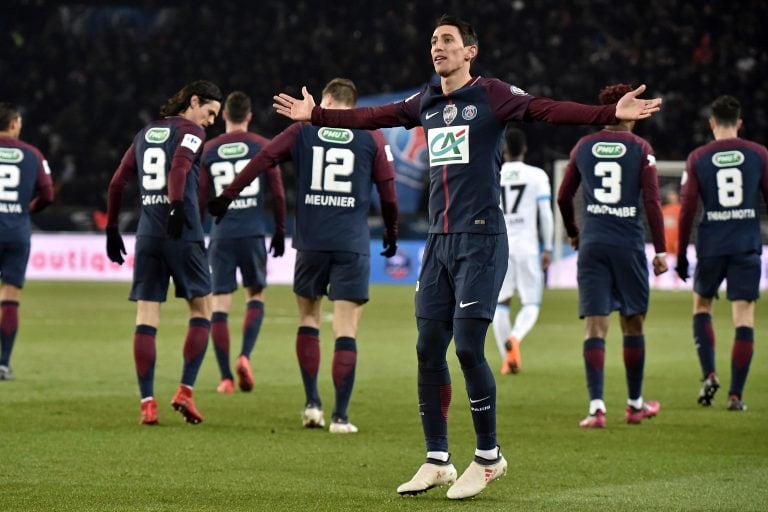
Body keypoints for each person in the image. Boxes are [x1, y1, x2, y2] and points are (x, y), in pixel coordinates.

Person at [271, 15, 662, 500]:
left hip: (481, 239)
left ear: (470, 51)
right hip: (438, 242)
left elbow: (546, 109)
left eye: (448, 41)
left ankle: (489, 457)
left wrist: (607, 114)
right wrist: (319, 117)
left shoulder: (492, 94)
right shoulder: (427, 101)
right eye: (434, 41)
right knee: (426, 349)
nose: (438, 47)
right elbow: (373, 117)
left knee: (470, 348)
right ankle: (438, 459)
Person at [208, 78, 398, 434]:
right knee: (346, 329)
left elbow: (263, 158)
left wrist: (228, 194)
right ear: (353, 105)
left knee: (309, 320)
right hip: (351, 244)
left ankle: (312, 405)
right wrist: (391, 232)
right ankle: (340, 417)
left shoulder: (304, 129)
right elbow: (388, 193)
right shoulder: (372, 135)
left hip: (311, 244)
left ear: (324, 101)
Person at [106, 80, 222, 425]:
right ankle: (185, 390)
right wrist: (176, 206)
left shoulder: (145, 133)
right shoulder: (192, 133)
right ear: (194, 101)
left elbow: (116, 183)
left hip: (147, 235)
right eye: (210, 112)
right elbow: (180, 167)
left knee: (146, 315)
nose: (212, 121)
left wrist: (112, 229)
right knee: (203, 309)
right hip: (182, 232)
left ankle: (147, 402)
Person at [557, 83, 667, 430]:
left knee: (595, 325)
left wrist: (574, 232)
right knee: (632, 322)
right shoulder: (640, 147)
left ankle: (596, 408)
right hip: (628, 245)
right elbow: (652, 202)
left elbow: (563, 197)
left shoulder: (583, 146)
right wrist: (661, 251)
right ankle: (635, 405)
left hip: (592, 244)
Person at [675, 95, 768, 412]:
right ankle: (736, 396)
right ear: (739, 123)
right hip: (746, 244)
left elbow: (687, 209)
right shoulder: (759, 154)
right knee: (744, 316)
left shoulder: (698, 157)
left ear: (712, 122)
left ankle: (709, 374)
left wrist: (681, 254)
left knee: (702, 307)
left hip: (711, 244)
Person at [198, 91, 286, 394]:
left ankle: (225, 378)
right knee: (255, 296)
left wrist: (197, 233)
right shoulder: (263, 146)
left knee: (219, 305)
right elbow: (277, 192)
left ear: (224, 115)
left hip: (221, 235)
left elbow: (200, 197)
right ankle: (245, 356)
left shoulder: (209, 149)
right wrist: (278, 229)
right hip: (252, 232)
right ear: (249, 116)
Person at [491, 126, 553, 375]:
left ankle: (507, 359)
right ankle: (515, 338)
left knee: (500, 303)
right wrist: (548, 246)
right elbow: (545, 215)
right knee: (531, 304)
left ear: (503, 150)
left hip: (500, 246)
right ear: (525, 149)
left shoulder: (493, 173)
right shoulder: (537, 175)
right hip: (527, 247)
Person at [0, 102, 55, 380]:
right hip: (16, 231)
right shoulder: (32, 154)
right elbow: (48, 194)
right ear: (13, 124)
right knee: (10, 296)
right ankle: (3, 363)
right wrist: (26, 209)